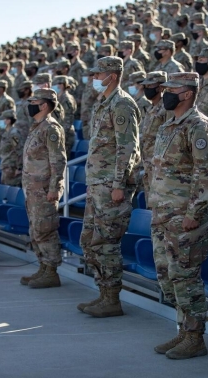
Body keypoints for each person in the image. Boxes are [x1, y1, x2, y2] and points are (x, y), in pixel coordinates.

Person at [149, 72, 208, 360]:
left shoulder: (198, 126)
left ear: (188, 93)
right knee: (167, 276)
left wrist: (194, 212)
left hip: (185, 217)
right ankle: (183, 330)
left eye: (172, 89)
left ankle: (195, 337)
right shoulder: (169, 125)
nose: (165, 93)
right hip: (163, 214)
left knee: (185, 277)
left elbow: (207, 173)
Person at [77, 57, 141, 318]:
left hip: (111, 187)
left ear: (112, 75)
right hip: (97, 185)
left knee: (106, 243)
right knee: (89, 242)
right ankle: (103, 292)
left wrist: (118, 185)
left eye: (98, 73)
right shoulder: (103, 102)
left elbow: (128, 148)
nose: (94, 78)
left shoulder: (123, 104)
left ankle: (112, 298)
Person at [20, 89, 67, 288]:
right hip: (32, 188)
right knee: (36, 230)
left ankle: (51, 272)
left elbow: (59, 161)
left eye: (34, 101)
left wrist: (54, 188)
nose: (30, 104)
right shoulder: (37, 127)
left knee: (45, 230)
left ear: (44, 105)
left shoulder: (51, 128)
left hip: (44, 189)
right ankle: (42, 267)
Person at [140, 71, 170, 204]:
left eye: (150, 86)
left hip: (160, 166)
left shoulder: (167, 109)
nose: (147, 89)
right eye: (145, 86)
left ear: (160, 87)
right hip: (148, 163)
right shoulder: (150, 108)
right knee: (149, 203)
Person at [0, 110, 24, 187]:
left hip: (12, 170)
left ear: (8, 121)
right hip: (6, 168)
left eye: (3, 119)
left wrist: (19, 168)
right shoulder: (6, 133)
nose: (1, 121)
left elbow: (19, 150)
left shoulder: (14, 134)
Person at [52, 75, 77, 153]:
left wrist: (61, 135)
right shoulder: (59, 98)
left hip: (66, 136)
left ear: (62, 85)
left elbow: (68, 120)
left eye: (55, 85)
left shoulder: (67, 99)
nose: (53, 87)